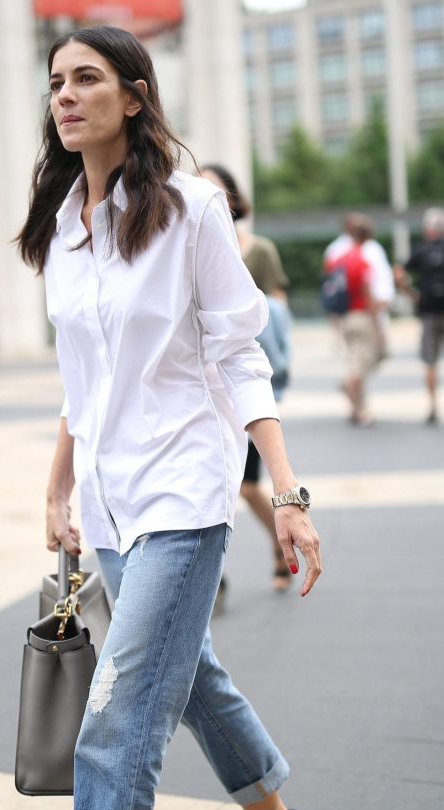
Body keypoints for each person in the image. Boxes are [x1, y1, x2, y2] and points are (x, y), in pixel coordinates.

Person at [17, 26, 322, 810]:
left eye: (87, 78)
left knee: (119, 713)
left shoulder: (191, 209)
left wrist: (286, 495)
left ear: (136, 95)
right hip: (109, 501)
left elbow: (238, 354)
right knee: (189, 680)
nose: (66, 95)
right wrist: (58, 487)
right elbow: (79, 380)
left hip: (187, 491)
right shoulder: (62, 226)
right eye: (56, 82)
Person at [202, 164, 293, 592]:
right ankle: (205, 572)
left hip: (244, 376)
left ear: (233, 200)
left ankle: (279, 539)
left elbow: (278, 310)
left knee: (249, 486)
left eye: (214, 189)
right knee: (206, 484)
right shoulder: (184, 242)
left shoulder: (258, 251)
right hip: (202, 384)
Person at [324, 216, 389, 425]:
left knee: (354, 360)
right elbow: (367, 293)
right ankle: (354, 398)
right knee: (361, 365)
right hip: (361, 315)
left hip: (344, 316)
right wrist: (377, 323)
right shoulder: (362, 261)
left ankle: (357, 408)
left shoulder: (338, 258)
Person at [395, 207, 444, 424]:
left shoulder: (421, 250)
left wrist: (412, 294)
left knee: (430, 361)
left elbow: (399, 272)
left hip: (429, 311)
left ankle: (433, 406)